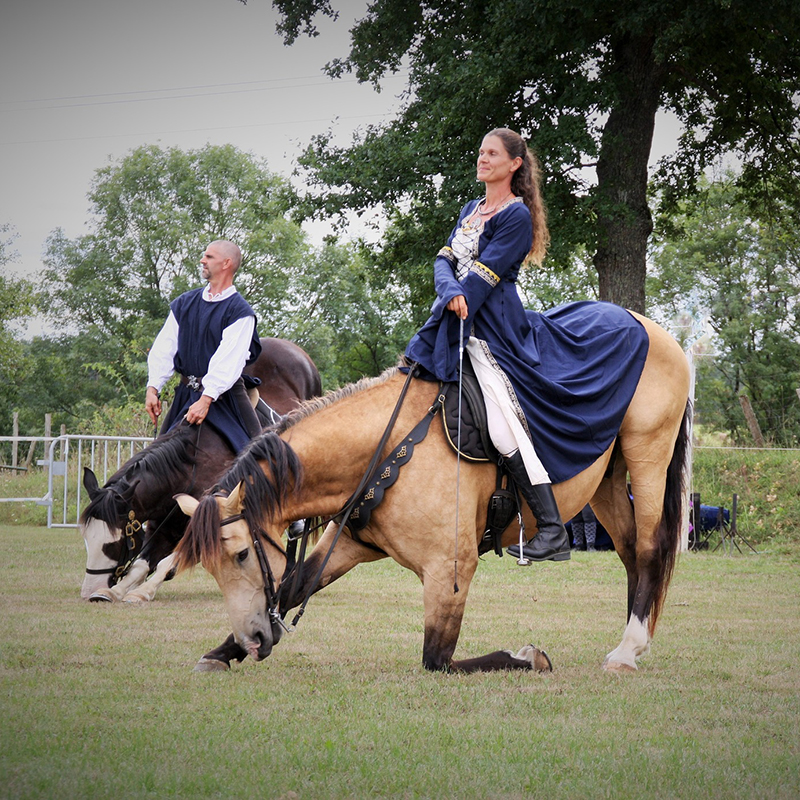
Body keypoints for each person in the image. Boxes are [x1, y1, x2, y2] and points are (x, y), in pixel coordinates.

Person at [405, 127, 571, 562]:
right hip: (455, 313)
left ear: (514, 164)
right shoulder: (470, 209)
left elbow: (483, 275)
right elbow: (443, 260)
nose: (482, 158)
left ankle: (552, 529)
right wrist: (449, 292)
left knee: (500, 424)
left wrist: (457, 297)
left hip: (493, 329)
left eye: (492, 153)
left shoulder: (516, 217)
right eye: (481, 152)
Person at [145, 239, 263, 453]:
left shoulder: (240, 312)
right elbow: (164, 348)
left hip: (226, 398)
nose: (202, 260)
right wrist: (153, 388)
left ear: (226, 263)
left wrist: (206, 399)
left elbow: (228, 360)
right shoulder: (184, 303)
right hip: (185, 395)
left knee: (260, 455)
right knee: (154, 458)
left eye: (209, 256)